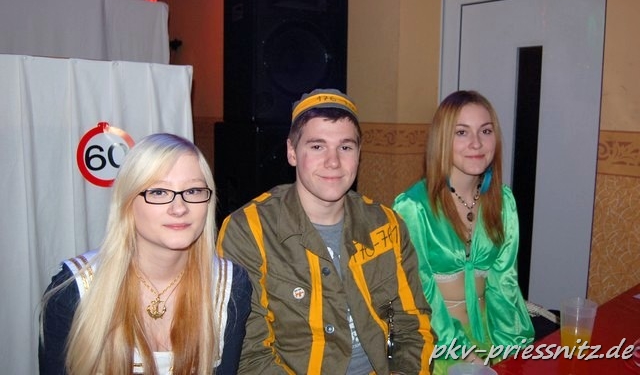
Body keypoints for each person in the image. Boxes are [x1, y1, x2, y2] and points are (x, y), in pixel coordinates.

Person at [217, 89, 436, 374]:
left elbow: (412, 325)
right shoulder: (249, 230)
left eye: (345, 147)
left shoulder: (386, 224)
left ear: (359, 153)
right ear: (292, 152)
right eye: (317, 146)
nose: (333, 162)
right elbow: (250, 355)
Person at [39, 133, 251, 375]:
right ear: (127, 203)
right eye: (159, 192)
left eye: (193, 190)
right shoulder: (74, 289)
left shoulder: (229, 286)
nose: (179, 208)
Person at [392, 90, 534, 374]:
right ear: (442, 139)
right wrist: (465, 355)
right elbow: (418, 294)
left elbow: (504, 283)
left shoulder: (503, 202)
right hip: (436, 343)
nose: (476, 143)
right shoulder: (413, 207)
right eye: (461, 132)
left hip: (489, 340)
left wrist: (509, 353)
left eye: (486, 131)